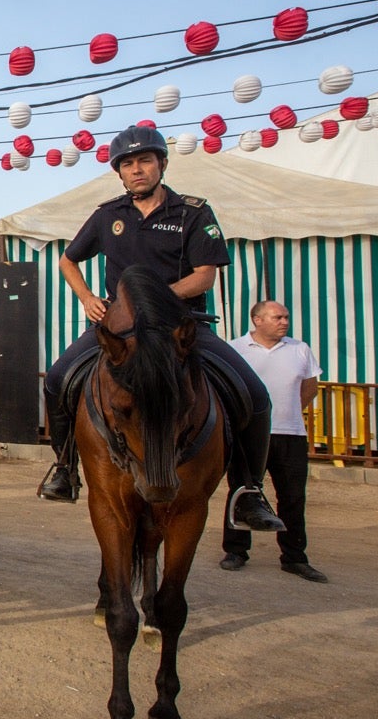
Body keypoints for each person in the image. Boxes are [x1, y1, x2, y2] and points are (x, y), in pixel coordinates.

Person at [35, 125, 284, 533]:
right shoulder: (107, 215)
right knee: (59, 378)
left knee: (254, 396)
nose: (137, 170)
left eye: (145, 161)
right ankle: (64, 467)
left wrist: (158, 298)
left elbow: (205, 275)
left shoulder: (193, 212)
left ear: (161, 165)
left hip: (180, 329)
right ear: (120, 172)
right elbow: (68, 260)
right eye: (128, 164)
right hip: (122, 329)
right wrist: (86, 298)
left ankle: (249, 491)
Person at [221, 300, 326, 581]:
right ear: (257, 320)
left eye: (286, 317)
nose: (284, 321)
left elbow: (310, 388)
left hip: (290, 434)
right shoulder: (235, 349)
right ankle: (236, 551)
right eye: (277, 317)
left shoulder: (299, 349)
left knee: (292, 497)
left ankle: (294, 557)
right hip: (249, 436)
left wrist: (286, 413)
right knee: (242, 492)